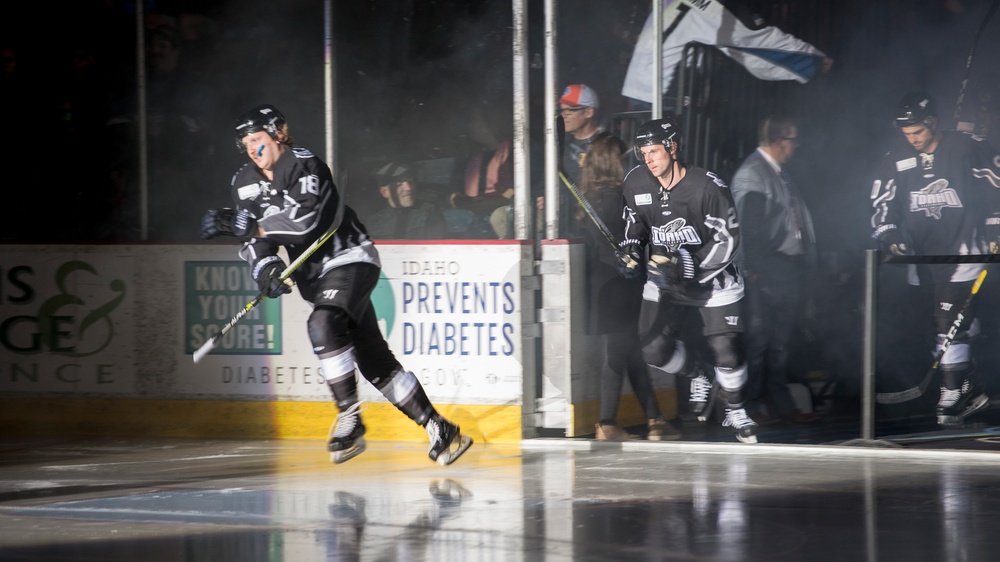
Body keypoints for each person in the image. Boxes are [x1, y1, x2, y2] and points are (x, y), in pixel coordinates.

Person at [199, 104, 472, 464]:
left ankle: (350, 418)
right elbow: (254, 241)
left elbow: (306, 223)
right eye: (246, 142)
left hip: (349, 259)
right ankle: (440, 429)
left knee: (322, 324)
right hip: (314, 277)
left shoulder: (303, 163)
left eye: (258, 139)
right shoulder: (242, 182)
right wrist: (264, 266)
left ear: (278, 133)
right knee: (373, 360)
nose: (252, 149)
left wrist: (252, 228)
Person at [618, 117, 758, 443]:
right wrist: (629, 250)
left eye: (654, 151)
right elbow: (633, 226)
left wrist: (688, 266)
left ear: (673, 148)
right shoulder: (636, 182)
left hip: (712, 278)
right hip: (664, 279)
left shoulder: (708, 187)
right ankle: (699, 374)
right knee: (652, 348)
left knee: (727, 349)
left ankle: (735, 411)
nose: (648, 159)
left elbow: (728, 240)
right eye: (643, 153)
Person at [870, 91, 1000, 427]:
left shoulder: (969, 145)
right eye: (907, 134)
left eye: (918, 133)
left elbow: (995, 184)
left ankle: (951, 391)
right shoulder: (896, 157)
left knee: (948, 317)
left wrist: (995, 224)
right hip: (923, 255)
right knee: (953, 319)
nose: (912, 139)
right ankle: (970, 386)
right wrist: (889, 233)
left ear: (933, 123)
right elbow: (884, 201)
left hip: (964, 247)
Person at [576, 132, 678, 441]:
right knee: (619, 353)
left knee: (631, 351)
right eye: (623, 159)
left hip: (606, 285)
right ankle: (606, 423)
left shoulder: (591, 199)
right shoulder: (617, 198)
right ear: (612, 162)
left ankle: (655, 419)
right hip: (618, 284)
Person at [731, 115, 820, 425]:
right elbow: (746, 226)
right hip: (766, 271)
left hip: (784, 268)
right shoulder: (753, 175)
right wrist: (754, 269)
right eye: (793, 140)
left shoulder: (776, 173)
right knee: (758, 340)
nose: (796, 146)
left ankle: (779, 404)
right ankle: (752, 404)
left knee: (779, 341)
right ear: (780, 142)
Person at [621, 0, 832, 108]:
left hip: (636, 89)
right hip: (663, 95)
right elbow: (759, 40)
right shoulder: (714, 8)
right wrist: (813, 59)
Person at [365, 161, 447, 240]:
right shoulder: (374, 221)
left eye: (411, 181)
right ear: (384, 192)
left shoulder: (428, 212)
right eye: (399, 183)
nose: (409, 188)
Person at [560, 84, 605, 185]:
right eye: (562, 110)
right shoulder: (561, 146)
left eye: (570, 110)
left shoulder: (609, 145)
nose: (563, 115)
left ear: (588, 112)